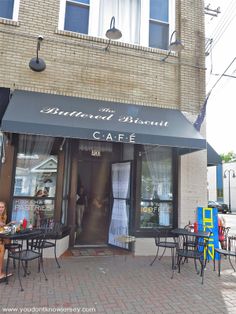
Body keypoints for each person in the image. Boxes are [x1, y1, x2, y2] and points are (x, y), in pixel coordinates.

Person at [0, 201, 12, 280]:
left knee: (6, 242)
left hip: (1, 236)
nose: (0, 209)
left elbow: (3, 227)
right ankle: (0, 274)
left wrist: (10, 223)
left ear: (5, 208)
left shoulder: (4, 216)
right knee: (1, 249)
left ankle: (0, 271)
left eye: (2, 207)